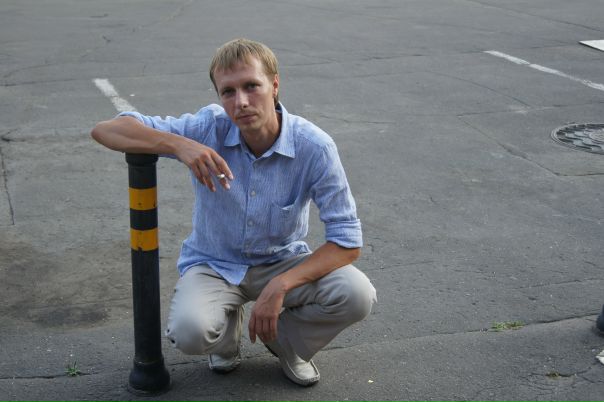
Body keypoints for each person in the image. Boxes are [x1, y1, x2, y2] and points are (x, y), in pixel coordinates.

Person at [91, 38, 376, 386]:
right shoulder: (207, 128)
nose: (240, 102)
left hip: (281, 261)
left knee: (356, 294)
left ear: (274, 85)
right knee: (190, 332)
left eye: (251, 86)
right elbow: (106, 130)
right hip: (215, 264)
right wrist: (180, 145)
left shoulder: (314, 147)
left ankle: (286, 343)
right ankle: (226, 337)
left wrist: (281, 285)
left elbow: (347, 242)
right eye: (228, 91)